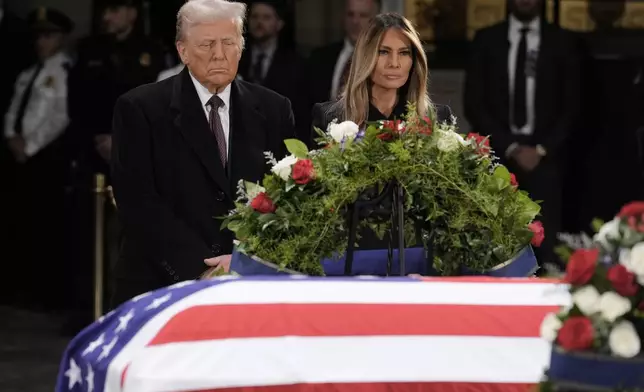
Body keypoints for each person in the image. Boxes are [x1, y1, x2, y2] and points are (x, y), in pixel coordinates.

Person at [110, 0, 295, 305]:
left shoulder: (275, 109)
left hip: (249, 282)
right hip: (160, 284)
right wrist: (203, 268)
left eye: (229, 43)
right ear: (182, 50)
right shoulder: (140, 109)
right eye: (207, 44)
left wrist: (243, 261)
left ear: (242, 46)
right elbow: (138, 202)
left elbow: (285, 197)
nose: (219, 54)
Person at [311, 12, 452, 251]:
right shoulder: (330, 118)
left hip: (416, 253)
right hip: (352, 253)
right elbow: (320, 202)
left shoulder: (437, 119)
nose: (394, 64)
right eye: (383, 52)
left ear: (414, 60)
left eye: (404, 53)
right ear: (366, 56)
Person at [463, 0, 580, 267]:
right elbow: (474, 103)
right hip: (498, 154)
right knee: (492, 244)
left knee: (546, 246)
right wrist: (512, 147)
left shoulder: (562, 42)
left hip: (547, 157)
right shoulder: (486, 40)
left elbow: (573, 105)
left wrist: (541, 150)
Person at [2, 7, 73, 308]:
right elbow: (13, 109)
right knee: (18, 221)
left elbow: (59, 117)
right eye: (38, 36)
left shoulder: (63, 71)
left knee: (44, 224)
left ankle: (43, 293)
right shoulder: (28, 73)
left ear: (60, 38)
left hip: (44, 157)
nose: (42, 42)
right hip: (17, 154)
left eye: (48, 35)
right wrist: (10, 137)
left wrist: (29, 146)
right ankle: (19, 286)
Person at [307, 0, 381, 105]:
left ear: (376, 21)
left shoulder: (384, 60)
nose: (355, 21)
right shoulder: (318, 57)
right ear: (342, 18)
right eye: (350, 14)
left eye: (363, 15)